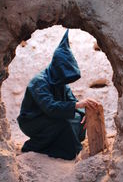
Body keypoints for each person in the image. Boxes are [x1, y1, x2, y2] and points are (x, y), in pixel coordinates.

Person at [17, 29, 98, 160]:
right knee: (63, 123)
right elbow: (51, 108)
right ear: (57, 68)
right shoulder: (39, 82)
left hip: (51, 115)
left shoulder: (60, 81)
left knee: (78, 119)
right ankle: (34, 146)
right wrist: (77, 105)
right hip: (32, 120)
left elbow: (72, 100)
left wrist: (84, 112)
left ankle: (61, 145)